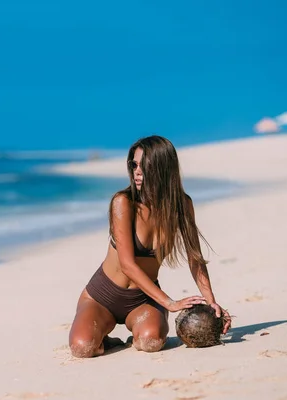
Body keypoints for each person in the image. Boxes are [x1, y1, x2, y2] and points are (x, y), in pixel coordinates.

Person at [68, 135, 231, 358]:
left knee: (151, 342)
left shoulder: (182, 205)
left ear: (163, 167)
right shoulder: (123, 203)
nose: (137, 171)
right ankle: (106, 337)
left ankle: (136, 331)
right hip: (101, 296)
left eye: (144, 166)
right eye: (133, 164)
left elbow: (195, 258)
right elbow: (127, 265)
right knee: (82, 348)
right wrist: (170, 303)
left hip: (142, 300)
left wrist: (211, 303)